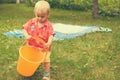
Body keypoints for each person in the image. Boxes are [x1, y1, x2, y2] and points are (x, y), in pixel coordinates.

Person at [23, 0, 54, 80]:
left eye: (42, 16)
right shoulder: (32, 22)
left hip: (44, 48)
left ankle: (46, 75)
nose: (40, 18)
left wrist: (49, 42)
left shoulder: (48, 26)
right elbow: (24, 28)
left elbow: (51, 35)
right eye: (38, 16)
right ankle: (32, 67)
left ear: (48, 15)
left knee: (46, 61)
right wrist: (26, 35)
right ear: (35, 13)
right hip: (32, 46)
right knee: (32, 58)